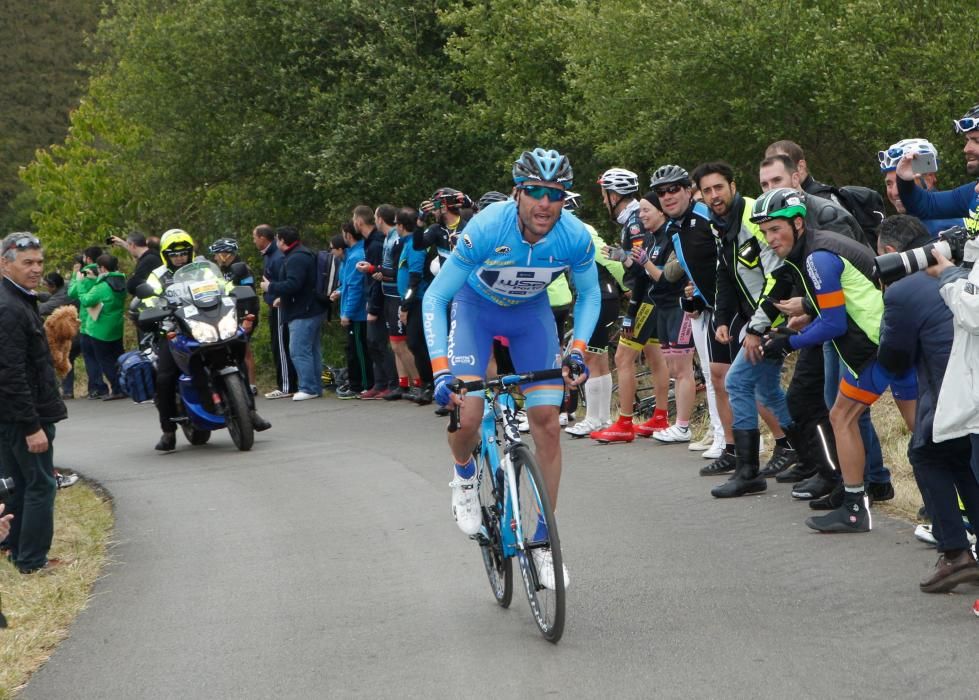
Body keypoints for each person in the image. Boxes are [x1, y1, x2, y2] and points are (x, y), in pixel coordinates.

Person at [422, 148, 600, 589]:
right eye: (536, 192)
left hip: (530, 317)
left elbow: (590, 294)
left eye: (555, 194)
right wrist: (442, 371)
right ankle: (464, 476)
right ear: (518, 194)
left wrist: (576, 349)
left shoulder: (574, 236)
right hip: (475, 311)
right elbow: (436, 298)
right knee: (469, 411)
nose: (545, 203)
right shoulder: (486, 227)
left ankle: (542, 542)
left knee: (548, 424)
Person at [752, 189, 917, 533]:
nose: (770, 240)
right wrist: (805, 319)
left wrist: (787, 342)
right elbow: (848, 297)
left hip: (880, 345)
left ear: (798, 223)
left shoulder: (816, 257)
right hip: (884, 341)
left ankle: (868, 507)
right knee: (846, 416)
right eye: (765, 232)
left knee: (916, 429)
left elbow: (835, 323)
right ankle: (857, 505)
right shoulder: (815, 248)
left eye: (775, 230)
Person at [875, 216, 979, 591]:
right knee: (957, 458)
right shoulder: (968, 270)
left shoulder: (904, 292)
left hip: (956, 391)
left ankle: (955, 553)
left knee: (927, 453)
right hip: (961, 390)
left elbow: (894, 361)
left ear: (890, 253)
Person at [691, 162, 799, 486]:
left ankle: (748, 470)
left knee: (737, 382)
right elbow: (724, 273)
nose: (714, 196)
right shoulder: (718, 223)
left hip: (776, 314)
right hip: (756, 315)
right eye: (707, 191)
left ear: (733, 186)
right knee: (765, 387)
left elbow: (777, 277)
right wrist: (722, 319)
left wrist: (756, 328)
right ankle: (798, 450)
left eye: (719, 188)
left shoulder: (755, 216)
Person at [149, 229, 271, 451]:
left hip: (208, 322)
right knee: (165, 376)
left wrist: (235, 293)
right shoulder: (157, 276)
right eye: (174, 254)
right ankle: (168, 430)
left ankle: (250, 412)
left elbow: (224, 286)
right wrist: (153, 308)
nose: (179, 257)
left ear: (190, 252)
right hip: (174, 328)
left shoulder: (203, 269)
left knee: (237, 358)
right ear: (166, 255)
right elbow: (148, 298)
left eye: (183, 253)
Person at [589, 167, 671, 444]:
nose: (603, 201)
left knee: (623, 358)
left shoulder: (635, 221)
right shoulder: (636, 216)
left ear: (614, 195)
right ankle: (660, 416)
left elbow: (640, 265)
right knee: (654, 354)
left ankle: (625, 422)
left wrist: (622, 257)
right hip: (655, 294)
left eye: (604, 195)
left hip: (647, 295)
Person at [0, 232, 67, 574]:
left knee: (17, 485)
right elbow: (10, 374)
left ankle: (16, 552)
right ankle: (32, 561)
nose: (36, 269)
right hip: (21, 417)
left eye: (39, 262)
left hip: (13, 417)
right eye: (27, 263)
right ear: (4, 263)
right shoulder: (9, 307)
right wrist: (32, 426)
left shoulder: (18, 299)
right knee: (40, 484)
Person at [561, 191, 627, 438]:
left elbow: (609, 259)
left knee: (590, 358)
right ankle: (601, 418)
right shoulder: (564, 232)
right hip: (597, 296)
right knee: (598, 359)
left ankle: (593, 418)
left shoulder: (581, 230)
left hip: (600, 296)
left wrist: (628, 285)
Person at [261, 226, 326, 401]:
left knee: (298, 350)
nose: (276, 242)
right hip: (311, 307)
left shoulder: (296, 258)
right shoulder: (302, 253)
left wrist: (271, 287)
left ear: (282, 240)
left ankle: (308, 387)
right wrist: (283, 298)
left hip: (303, 311)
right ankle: (315, 387)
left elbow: (294, 284)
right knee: (312, 350)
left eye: (277, 239)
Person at [894, 103, 979, 233]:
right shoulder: (973, 192)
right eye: (966, 141)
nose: (966, 149)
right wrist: (904, 180)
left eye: (976, 141)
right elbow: (925, 206)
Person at [877, 139, 964, 235]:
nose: (895, 192)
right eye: (889, 184)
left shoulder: (945, 226)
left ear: (930, 177)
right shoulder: (908, 225)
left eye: (903, 182)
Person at [252, 224, 297, 399]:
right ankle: (287, 383)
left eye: (255, 237)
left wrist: (274, 294)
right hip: (274, 304)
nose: (253, 241)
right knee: (277, 344)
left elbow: (283, 281)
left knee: (281, 345)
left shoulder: (277, 257)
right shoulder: (269, 255)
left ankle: (286, 385)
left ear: (263, 238)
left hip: (279, 306)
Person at [395, 207, 434, 404]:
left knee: (417, 344)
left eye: (396, 224)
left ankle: (429, 385)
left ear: (401, 225)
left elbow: (415, 278)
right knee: (415, 344)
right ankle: (426, 385)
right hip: (413, 301)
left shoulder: (414, 246)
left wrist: (405, 306)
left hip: (420, 301)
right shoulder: (406, 243)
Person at [209, 237, 259, 392]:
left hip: (244, 313)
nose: (215, 257)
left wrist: (247, 317)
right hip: (225, 314)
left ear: (226, 254)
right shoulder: (220, 270)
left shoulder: (242, 269)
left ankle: (251, 385)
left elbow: (249, 294)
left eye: (217, 254)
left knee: (244, 349)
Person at [77, 254, 128, 399]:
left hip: (100, 329)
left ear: (103, 268)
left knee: (105, 360)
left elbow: (86, 300)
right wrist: (96, 279)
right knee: (118, 357)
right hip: (116, 326)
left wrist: (81, 283)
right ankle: (125, 385)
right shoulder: (121, 280)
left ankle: (117, 388)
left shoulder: (102, 286)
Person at [333, 222, 372, 398]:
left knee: (359, 351)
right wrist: (339, 292)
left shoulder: (356, 256)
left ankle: (363, 385)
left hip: (357, 314)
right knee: (353, 349)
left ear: (348, 235)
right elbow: (347, 285)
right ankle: (356, 383)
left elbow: (356, 287)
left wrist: (347, 313)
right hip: (355, 311)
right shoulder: (352, 255)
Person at [67, 245, 109, 399]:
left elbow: (71, 293)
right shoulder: (103, 271)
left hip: (87, 320)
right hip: (104, 317)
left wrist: (74, 275)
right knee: (104, 355)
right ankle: (112, 384)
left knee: (90, 356)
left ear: (88, 259)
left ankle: (97, 387)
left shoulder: (83, 273)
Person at [39, 272, 81, 398]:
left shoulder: (61, 299)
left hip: (73, 332)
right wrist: (37, 295)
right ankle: (69, 389)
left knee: (65, 358)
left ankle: (67, 391)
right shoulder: (67, 286)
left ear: (53, 286)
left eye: (46, 285)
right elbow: (53, 297)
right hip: (79, 329)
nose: (45, 288)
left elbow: (43, 308)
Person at [108, 230, 158, 296]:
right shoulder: (152, 255)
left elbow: (133, 285)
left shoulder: (148, 261)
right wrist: (122, 243)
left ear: (133, 245)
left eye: (129, 245)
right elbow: (135, 250)